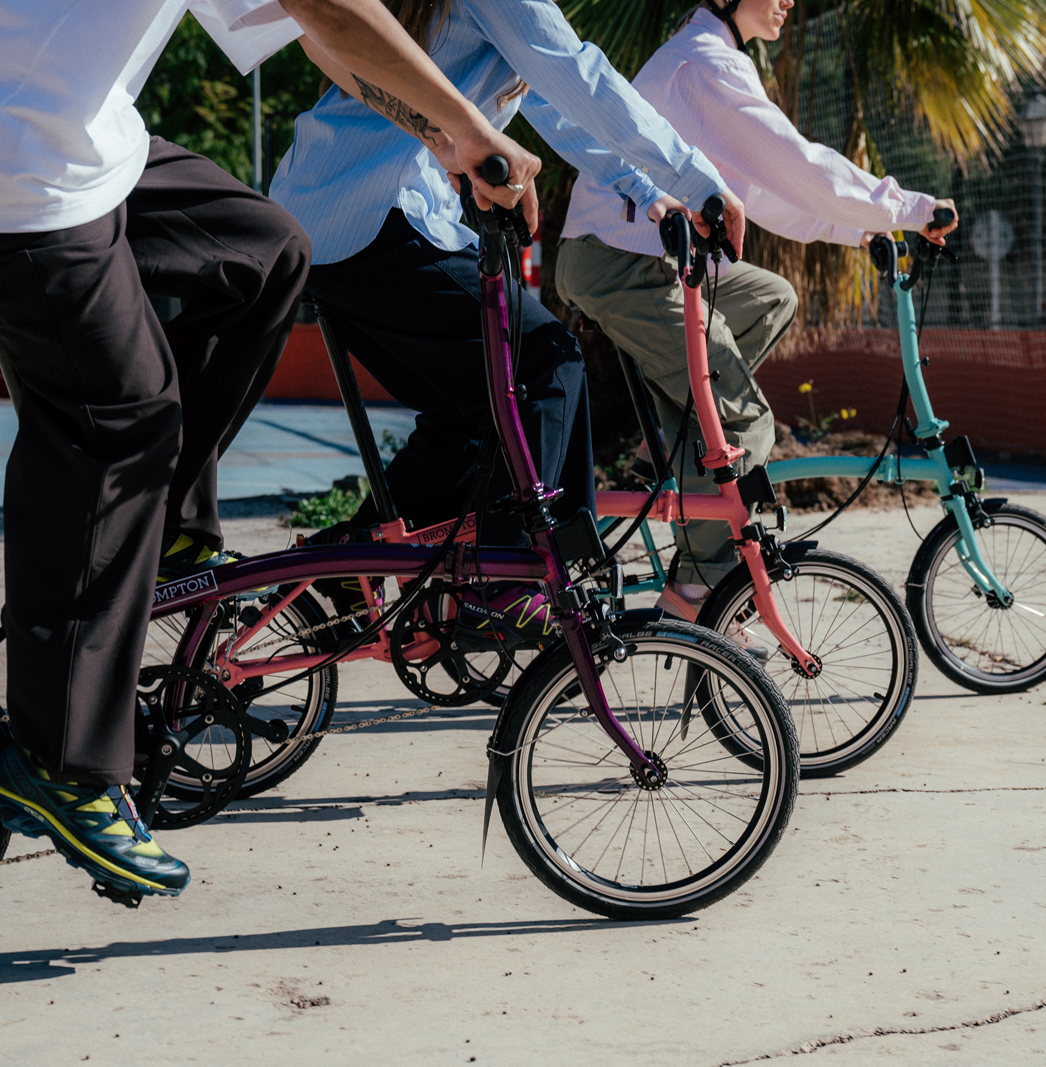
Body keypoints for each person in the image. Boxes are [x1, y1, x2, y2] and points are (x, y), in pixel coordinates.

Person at [0, 0, 537, 901]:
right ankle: (59, 761)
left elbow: (315, 34)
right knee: (121, 424)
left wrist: (442, 137)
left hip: (72, 134)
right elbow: (332, 7)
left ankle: (161, 525)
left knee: (266, 252)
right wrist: (470, 128)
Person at [269, 0, 743, 639]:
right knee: (547, 362)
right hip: (372, 210)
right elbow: (578, 74)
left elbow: (557, 103)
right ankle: (510, 580)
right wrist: (695, 177)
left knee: (474, 413)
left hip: (338, 212)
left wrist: (649, 192)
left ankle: (346, 563)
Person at [556, 0, 957, 621]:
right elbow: (799, 165)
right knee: (743, 428)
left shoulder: (706, 57)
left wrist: (858, 230)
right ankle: (695, 596)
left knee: (771, 297)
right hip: (623, 262)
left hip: (638, 256)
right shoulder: (708, 63)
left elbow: (765, 192)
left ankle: (676, 436)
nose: (790, 1)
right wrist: (910, 208)